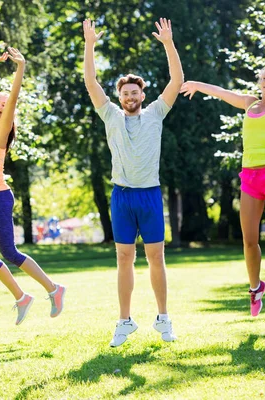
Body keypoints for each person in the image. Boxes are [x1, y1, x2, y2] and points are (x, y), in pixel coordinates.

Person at [181, 65, 265, 316]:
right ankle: (256, 288)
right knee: (249, 240)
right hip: (250, 178)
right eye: (264, 77)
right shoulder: (249, 103)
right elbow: (222, 92)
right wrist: (197, 85)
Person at [83, 18, 183, 346]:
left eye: (134, 91)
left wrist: (168, 43)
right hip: (122, 197)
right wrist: (90, 44)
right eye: (124, 92)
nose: (129, 96)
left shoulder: (155, 113)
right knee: (124, 258)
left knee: (156, 257)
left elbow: (177, 80)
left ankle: (163, 319)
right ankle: (124, 321)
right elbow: (90, 81)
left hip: (150, 196)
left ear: (142, 94)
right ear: (120, 96)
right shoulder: (110, 114)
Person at [0, 49, 66, 325]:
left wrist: (21, 67)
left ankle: (54, 288)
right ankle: (22, 298)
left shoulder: (0, 130)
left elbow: (10, 98)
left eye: (3, 106)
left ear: (8, 114)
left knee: (10, 252)